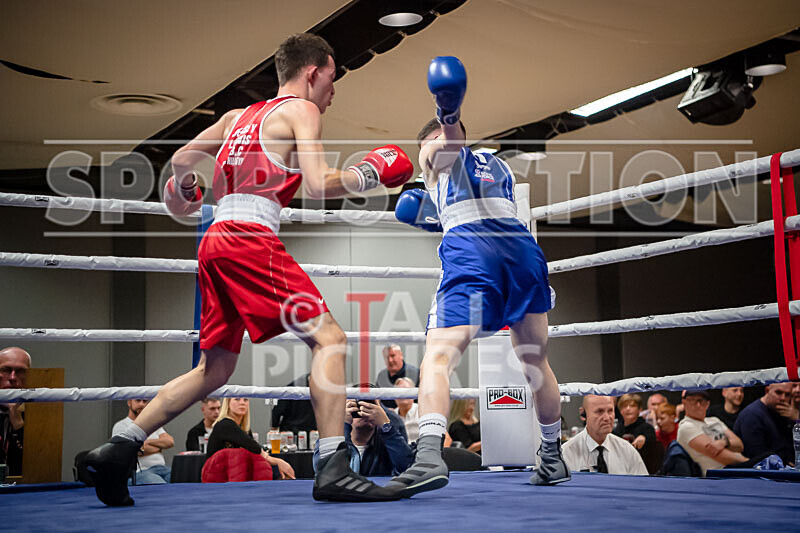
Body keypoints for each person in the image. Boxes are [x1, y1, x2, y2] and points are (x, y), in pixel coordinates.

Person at [85, 33, 413, 506]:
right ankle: (334, 467)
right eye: (333, 78)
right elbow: (319, 185)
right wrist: (371, 171)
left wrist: (188, 186)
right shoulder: (303, 111)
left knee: (214, 367)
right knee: (331, 340)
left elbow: (180, 160)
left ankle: (120, 448)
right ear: (313, 71)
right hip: (249, 237)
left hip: (214, 240)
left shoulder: (236, 117)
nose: (334, 91)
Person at [387, 56, 568, 497]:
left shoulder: (434, 151)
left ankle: (429, 452)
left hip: (474, 253)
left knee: (438, 356)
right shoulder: (497, 165)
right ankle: (552, 454)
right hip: (522, 252)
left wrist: (447, 114)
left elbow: (448, 147)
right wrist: (433, 215)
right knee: (535, 362)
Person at [207, 397, 294, 479]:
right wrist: (278, 461)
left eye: (245, 400)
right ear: (228, 404)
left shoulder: (244, 428)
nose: (242, 403)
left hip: (233, 475)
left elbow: (254, 450)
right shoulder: (225, 424)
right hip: (216, 475)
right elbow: (255, 448)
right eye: (237, 399)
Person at [561, 395, 647, 475]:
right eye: (599, 411)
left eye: (610, 411)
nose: (606, 418)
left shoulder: (627, 451)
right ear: (583, 414)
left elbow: (644, 487)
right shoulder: (566, 453)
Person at [677, 390, 747, 476]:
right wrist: (748, 462)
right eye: (693, 400)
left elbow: (740, 445)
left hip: (737, 468)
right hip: (720, 473)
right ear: (684, 402)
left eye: (701, 401)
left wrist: (724, 442)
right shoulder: (686, 426)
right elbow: (723, 457)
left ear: (707, 404)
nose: (698, 405)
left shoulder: (714, 420)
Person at [343, 393, 414, 477]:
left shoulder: (388, 444)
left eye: (371, 406)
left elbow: (407, 469)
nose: (363, 411)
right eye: (358, 405)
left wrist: (386, 426)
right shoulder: (337, 442)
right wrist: (344, 423)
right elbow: (330, 470)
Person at [111, 399, 174, 485]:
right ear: (129, 402)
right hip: (140, 472)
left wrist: (147, 443)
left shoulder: (153, 422)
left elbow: (169, 442)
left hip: (162, 468)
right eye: (138, 400)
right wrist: (159, 447)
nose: (141, 404)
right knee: (161, 487)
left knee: (184, 482)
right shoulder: (121, 426)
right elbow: (130, 451)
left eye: (144, 401)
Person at [733, 383, 795, 465]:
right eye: (778, 392)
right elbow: (758, 456)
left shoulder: (784, 412)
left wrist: (795, 419)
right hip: (759, 473)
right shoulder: (752, 415)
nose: (783, 398)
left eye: (787, 394)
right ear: (767, 391)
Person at [612, 393, 662, 474]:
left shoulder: (647, 428)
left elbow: (654, 446)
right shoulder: (615, 431)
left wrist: (644, 437)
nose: (628, 409)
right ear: (620, 410)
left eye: (632, 406)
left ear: (640, 409)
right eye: (624, 406)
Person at [0, 347, 30, 476]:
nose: (12, 378)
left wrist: (18, 424)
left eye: (20, 371)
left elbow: (40, 462)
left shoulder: (41, 414)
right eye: (6, 370)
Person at [393, 377, 419, 443]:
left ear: (414, 393)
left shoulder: (423, 411)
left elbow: (445, 438)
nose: (402, 394)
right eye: (398, 391)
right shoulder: (391, 416)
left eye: (406, 390)